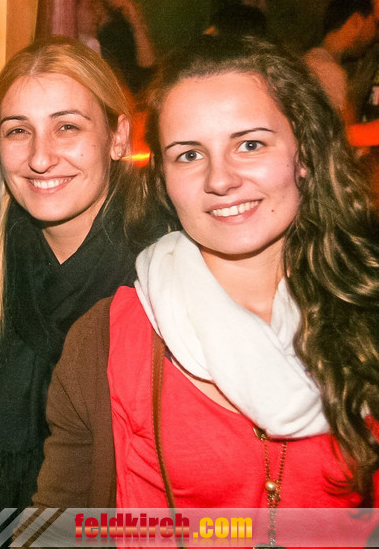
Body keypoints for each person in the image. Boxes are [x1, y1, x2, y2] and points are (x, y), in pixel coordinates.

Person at [36, 36, 379, 534]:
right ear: (162, 178)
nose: (221, 179)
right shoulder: (107, 339)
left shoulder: (365, 305)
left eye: (250, 144)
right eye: (190, 155)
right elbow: (59, 531)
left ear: (303, 154)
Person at [0, 38, 134, 548]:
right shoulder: (2, 246)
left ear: (117, 137)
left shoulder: (154, 266)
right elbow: (1, 399)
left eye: (67, 127)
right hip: (13, 515)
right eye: (18, 131)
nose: (41, 157)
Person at [303, 0, 376, 127]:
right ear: (356, 21)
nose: (376, 35)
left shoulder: (311, 60)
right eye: (376, 24)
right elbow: (344, 134)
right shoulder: (330, 72)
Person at [76, 0, 156, 96]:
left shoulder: (106, 42)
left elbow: (147, 78)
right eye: (91, 4)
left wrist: (137, 25)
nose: (98, 11)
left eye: (100, 4)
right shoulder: (71, 48)